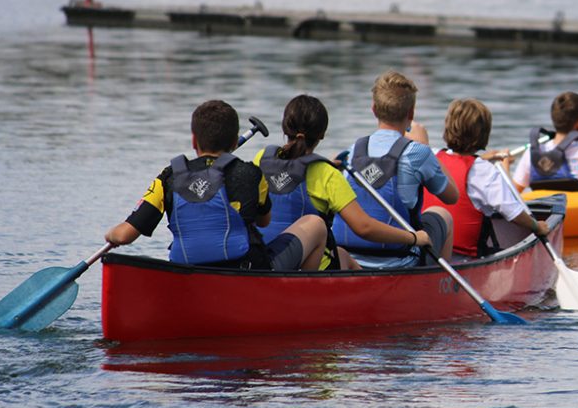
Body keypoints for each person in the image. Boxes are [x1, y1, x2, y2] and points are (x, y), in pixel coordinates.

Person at [104, 100, 326, 270]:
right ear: (233, 142)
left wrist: (110, 236)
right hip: (245, 272)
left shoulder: (168, 177)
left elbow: (123, 236)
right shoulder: (251, 174)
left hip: (187, 270)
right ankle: (300, 298)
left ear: (194, 141)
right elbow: (264, 221)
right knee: (316, 224)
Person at [253, 94, 432, 271]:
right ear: (322, 135)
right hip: (300, 267)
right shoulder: (327, 175)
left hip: (263, 258)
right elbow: (364, 227)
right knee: (342, 256)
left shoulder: (261, 158)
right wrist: (415, 238)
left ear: (285, 128)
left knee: (341, 253)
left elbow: (291, 173)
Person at [331, 70, 459, 268]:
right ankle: (438, 285)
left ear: (374, 109)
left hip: (349, 257)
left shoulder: (351, 151)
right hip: (401, 259)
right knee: (442, 214)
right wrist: (426, 146)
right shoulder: (418, 152)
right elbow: (452, 196)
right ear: (411, 113)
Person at [422, 98, 550, 259]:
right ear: (484, 134)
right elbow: (513, 212)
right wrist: (536, 226)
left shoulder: (432, 156)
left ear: (447, 128)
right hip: (462, 258)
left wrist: (482, 159)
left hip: (426, 252)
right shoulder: (485, 171)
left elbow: (458, 164)